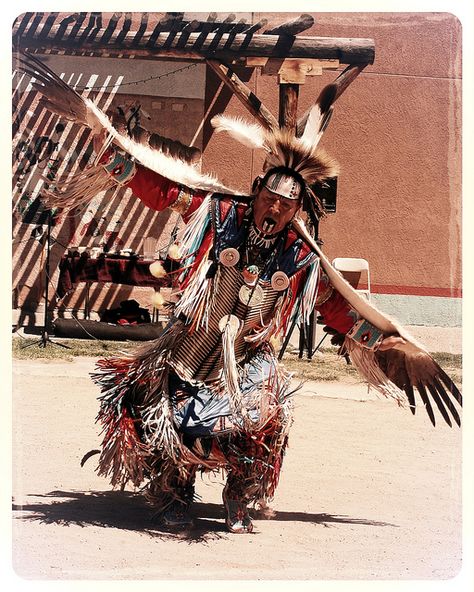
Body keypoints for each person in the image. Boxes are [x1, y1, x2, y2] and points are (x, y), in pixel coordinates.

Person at [17, 50, 462, 534]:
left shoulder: (301, 258)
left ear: (297, 213)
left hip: (249, 357)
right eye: (268, 198)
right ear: (254, 192)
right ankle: (174, 491)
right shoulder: (217, 214)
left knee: (262, 417)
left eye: (285, 206)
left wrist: (392, 347)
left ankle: (239, 491)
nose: (273, 210)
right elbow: (159, 187)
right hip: (189, 346)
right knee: (163, 414)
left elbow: (336, 310)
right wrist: (101, 129)